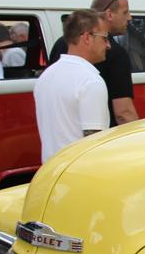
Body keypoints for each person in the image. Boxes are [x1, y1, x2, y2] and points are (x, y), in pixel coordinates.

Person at [49, 0, 138, 126]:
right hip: (99, 142)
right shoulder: (116, 54)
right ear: (109, 14)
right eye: (125, 12)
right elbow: (123, 113)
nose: (129, 17)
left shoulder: (60, 46)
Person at [34, 10, 111, 162]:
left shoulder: (46, 76)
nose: (108, 45)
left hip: (51, 172)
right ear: (87, 37)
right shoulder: (90, 81)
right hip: (79, 175)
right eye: (105, 38)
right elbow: (94, 145)